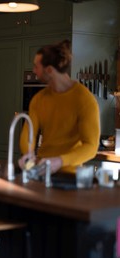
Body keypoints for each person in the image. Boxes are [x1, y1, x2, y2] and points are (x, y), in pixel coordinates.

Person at [18, 39, 100, 174]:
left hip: (70, 175)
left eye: (36, 67)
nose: (33, 71)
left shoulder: (84, 100)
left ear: (49, 70)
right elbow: (29, 133)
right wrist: (28, 153)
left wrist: (60, 161)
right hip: (43, 170)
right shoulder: (39, 99)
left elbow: (91, 146)